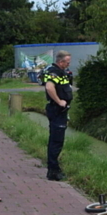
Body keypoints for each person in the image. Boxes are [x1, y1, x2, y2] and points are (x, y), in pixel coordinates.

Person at [43, 51, 73, 181]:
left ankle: (54, 168)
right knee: (56, 141)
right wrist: (59, 101)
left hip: (61, 111)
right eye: (67, 62)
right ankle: (53, 171)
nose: (68, 64)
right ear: (61, 61)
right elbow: (49, 87)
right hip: (56, 109)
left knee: (58, 140)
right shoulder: (53, 72)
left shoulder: (61, 72)